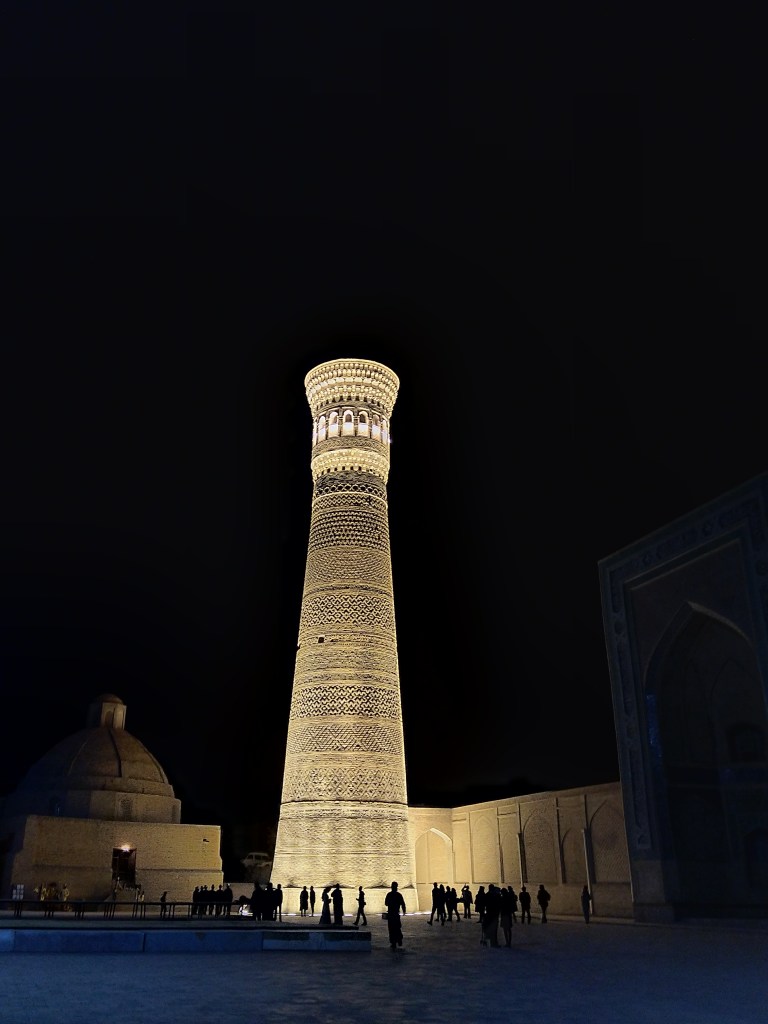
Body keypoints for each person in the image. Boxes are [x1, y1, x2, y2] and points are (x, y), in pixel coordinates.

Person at [384, 880, 406, 951]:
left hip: (391, 914)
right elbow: (403, 904)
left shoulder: (389, 895)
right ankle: (399, 939)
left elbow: (386, 903)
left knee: (391, 928)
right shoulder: (398, 895)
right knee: (397, 927)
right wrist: (404, 911)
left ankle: (394, 942)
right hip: (396, 914)